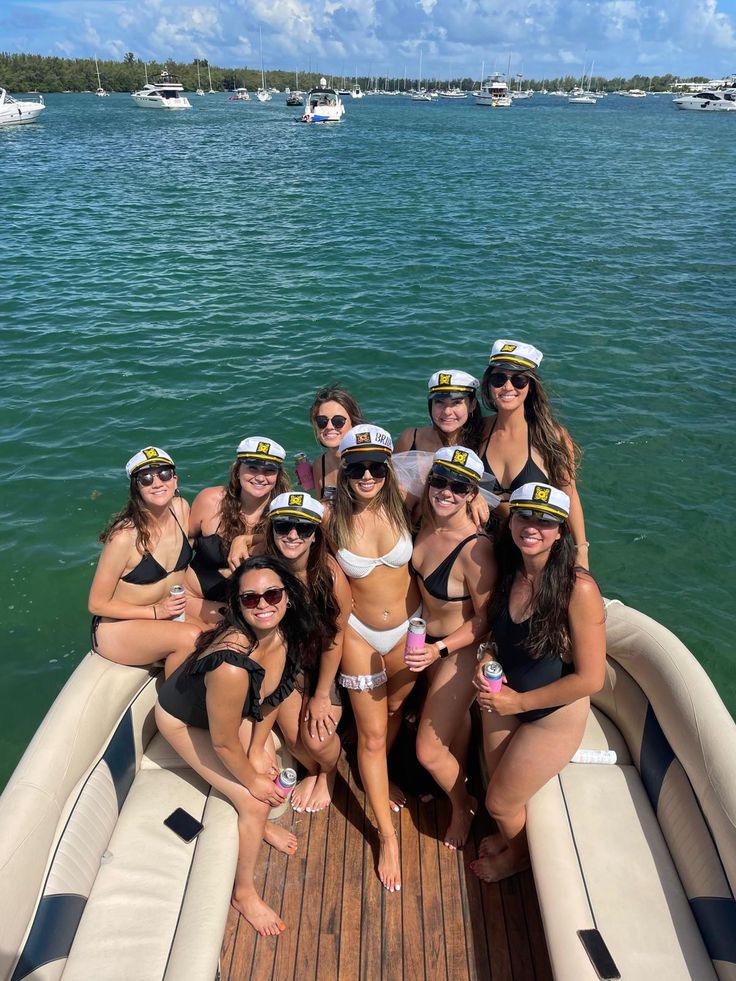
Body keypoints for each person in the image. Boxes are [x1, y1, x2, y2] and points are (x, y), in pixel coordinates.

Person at [155, 555, 323, 937]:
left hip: (226, 716)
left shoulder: (282, 633)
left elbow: (271, 699)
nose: (263, 605)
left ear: (288, 596)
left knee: (267, 761)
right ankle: (243, 893)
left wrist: (258, 752)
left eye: (272, 594)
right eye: (250, 599)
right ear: (237, 605)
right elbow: (223, 742)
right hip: (183, 720)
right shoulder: (230, 665)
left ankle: (259, 827)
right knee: (254, 799)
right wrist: (252, 780)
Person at [471, 482, 605, 883]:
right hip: (506, 697)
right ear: (512, 520)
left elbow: (591, 678)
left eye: (546, 521)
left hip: (550, 714)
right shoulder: (510, 571)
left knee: (499, 803)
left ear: (561, 531)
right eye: (525, 515)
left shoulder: (577, 589)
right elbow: (499, 636)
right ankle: (510, 841)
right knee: (496, 785)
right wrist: (488, 656)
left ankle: (519, 858)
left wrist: (519, 704)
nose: (533, 526)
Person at [330, 424, 420, 893]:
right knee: (371, 735)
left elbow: (460, 495)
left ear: (388, 469)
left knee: (393, 713)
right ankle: (386, 836)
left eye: (375, 467)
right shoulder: (331, 519)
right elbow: (288, 545)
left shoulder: (405, 499)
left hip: (410, 630)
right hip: (359, 634)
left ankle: (376, 779)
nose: (367, 476)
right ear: (342, 470)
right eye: (356, 468)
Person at [408, 447, 495, 849]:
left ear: (472, 493)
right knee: (453, 729)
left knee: (427, 749)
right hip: (423, 642)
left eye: (458, 486)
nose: (446, 491)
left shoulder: (476, 549)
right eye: (439, 481)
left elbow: (484, 620)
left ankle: (464, 805)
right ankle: (457, 785)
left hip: (456, 651)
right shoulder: (425, 521)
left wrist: (439, 650)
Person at [261, 492, 352, 813]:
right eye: (284, 526)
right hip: (285, 669)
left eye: (303, 529)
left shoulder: (329, 575)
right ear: (271, 530)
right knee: (297, 742)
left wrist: (321, 694)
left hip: (321, 669)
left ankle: (328, 772)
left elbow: (335, 637)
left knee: (317, 740)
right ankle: (312, 770)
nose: (293, 535)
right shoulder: (263, 569)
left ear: (316, 536)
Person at [88, 446, 200, 672]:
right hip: (119, 627)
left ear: (175, 480)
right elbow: (96, 604)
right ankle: (171, 707)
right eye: (146, 478)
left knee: (230, 622)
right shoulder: (124, 537)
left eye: (165, 474)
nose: (157, 482)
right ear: (136, 488)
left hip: (168, 613)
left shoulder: (181, 508)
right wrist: (156, 612)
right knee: (192, 637)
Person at [479, 340, 589, 566]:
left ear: (531, 386)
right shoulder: (477, 432)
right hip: (485, 550)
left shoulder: (552, 437)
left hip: (535, 552)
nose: (508, 387)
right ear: (489, 384)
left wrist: (581, 551)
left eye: (518, 379)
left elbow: (570, 494)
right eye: (499, 379)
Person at [185, 437, 290, 624]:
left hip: (251, 611)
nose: (260, 477)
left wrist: (245, 539)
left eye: (269, 471)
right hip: (194, 602)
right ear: (238, 469)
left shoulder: (283, 516)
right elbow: (184, 546)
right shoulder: (210, 500)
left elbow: (303, 543)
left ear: (278, 476)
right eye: (252, 468)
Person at [396, 370, 485, 454]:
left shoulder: (484, 443)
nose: (447, 411)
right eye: (439, 402)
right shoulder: (410, 439)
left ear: (472, 405)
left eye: (456, 402)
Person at [308, 385, 365, 499]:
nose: (329, 427)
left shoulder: (368, 462)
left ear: (353, 423)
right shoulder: (320, 464)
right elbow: (322, 508)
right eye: (322, 421)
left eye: (338, 421)